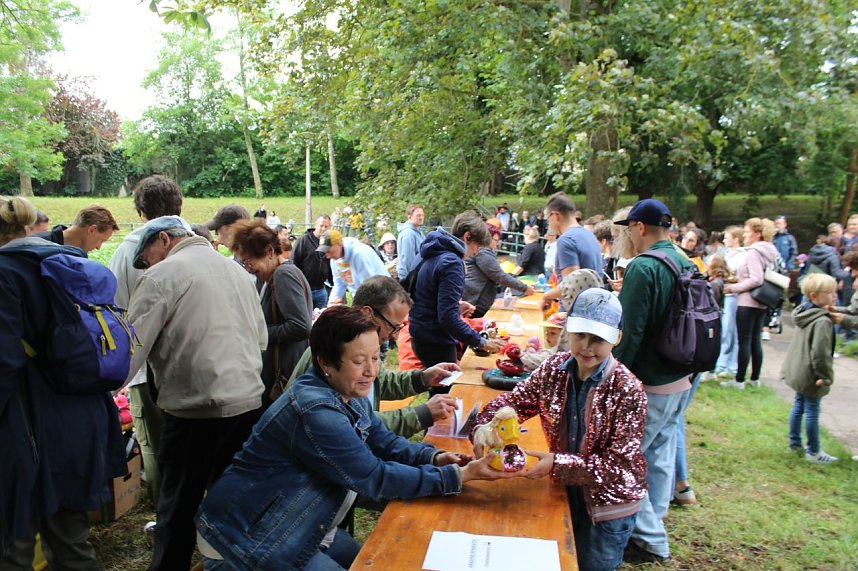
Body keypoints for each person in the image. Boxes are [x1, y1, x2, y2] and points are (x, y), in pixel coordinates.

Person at [195, 306, 519, 570]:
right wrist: (456, 476)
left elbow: (382, 440)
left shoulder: (348, 390)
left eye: (376, 357)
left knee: (374, 560)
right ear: (325, 362)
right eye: (359, 361)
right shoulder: (315, 411)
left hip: (304, 522)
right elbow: (374, 477)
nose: (372, 370)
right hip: (249, 537)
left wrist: (432, 458)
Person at [126, 216, 268, 570]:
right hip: (248, 403)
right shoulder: (238, 273)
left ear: (164, 240)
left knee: (177, 506)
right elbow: (262, 339)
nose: (150, 264)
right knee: (233, 503)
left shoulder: (162, 276)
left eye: (149, 256)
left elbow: (129, 354)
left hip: (195, 410)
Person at [472, 288, 646, 571]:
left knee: (593, 565)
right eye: (580, 336)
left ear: (617, 338)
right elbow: (514, 402)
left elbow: (619, 465)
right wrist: (486, 425)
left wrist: (557, 463)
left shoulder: (628, 389)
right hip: (564, 490)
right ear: (569, 331)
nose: (587, 347)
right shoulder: (553, 369)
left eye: (598, 339)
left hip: (607, 507)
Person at [0, 196, 127, 569]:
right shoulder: (68, 263)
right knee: (71, 542)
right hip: (83, 419)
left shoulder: (5, 274)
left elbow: (4, 362)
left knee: (15, 545)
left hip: (28, 425)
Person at [612, 198, 693, 564]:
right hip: (681, 377)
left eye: (629, 228)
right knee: (659, 455)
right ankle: (654, 519)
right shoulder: (684, 260)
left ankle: (651, 540)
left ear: (639, 228)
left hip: (650, 382)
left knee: (627, 458)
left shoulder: (644, 267)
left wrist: (612, 378)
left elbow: (630, 333)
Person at [288, 276, 460, 438]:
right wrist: (422, 413)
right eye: (392, 326)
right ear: (368, 313)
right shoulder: (337, 350)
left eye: (399, 328)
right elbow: (354, 426)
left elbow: (380, 382)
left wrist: (423, 378)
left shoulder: (362, 346)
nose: (394, 336)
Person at [108, 174, 184, 508]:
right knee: (189, 442)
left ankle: (166, 511)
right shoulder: (198, 242)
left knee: (154, 443)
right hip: (193, 362)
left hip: (145, 366)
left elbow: (115, 312)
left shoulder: (128, 251)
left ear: (141, 212)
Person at [231, 220, 313, 408]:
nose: (248, 268)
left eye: (249, 260)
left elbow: (301, 326)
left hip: (284, 374)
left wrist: (258, 333)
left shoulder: (284, 275)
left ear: (269, 252)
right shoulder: (273, 276)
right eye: (244, 262)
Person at [409, 212, 505, 371]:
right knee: (446, 393)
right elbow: (447, 318)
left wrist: (456, 305)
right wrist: (481, 342)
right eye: (477, 247)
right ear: (467, 236)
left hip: (420, 334)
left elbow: (426, 295)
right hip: (436, 340)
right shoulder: (452, 262)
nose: (475, 252)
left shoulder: (431, 251)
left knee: (438, 390)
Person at [783, 274, 839, 463]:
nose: (834, 296)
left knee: (798, 406)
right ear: (814, 295)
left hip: (799, 370)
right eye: (830, 293)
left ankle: (795, 444)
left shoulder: (803, 313)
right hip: (812, 374)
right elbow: (820, 354)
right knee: (812, 409)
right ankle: (814, 451)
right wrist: (825, 376)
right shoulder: (822, 321)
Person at [721, 218, 779, 390]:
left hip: (748, 301)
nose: (744, 235)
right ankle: (754, 378)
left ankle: (739, 380)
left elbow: (756, 279)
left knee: (744, 341)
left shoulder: (754, 251)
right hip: (762, 302)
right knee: (755, 341)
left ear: (757, 233)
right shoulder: (769, 251)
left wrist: (734, 288)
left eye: (747, 232)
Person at [463, 222, 535, 317]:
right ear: (487, 238)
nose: (497, 244)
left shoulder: (481, 251)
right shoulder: (483, 251)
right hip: (476, 302)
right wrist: (525, 288)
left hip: (474, 299)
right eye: (496, 240)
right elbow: (499, 276)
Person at [318, 228, 389, 306]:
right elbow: (339, 283)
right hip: (362, 297)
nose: (328, 256)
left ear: (339, 243)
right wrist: (331, 302)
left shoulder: (359, 253)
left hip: (382, 295)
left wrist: (357, 306)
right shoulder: (335, 260)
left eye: (329, 251)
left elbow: (369, 286)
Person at [544, 191, 602, 277]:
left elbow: (571, 285)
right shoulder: (590, 235)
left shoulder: (566, 240)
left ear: (555, 215)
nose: (549, 225)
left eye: (548, 220)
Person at [35, 204, 119, 253]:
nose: (98, 247)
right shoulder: (37, 245)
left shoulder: (79, 257)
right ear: (92, 229)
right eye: (101, 240)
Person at [292, 215, 334, 310]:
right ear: (315, 225)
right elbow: (293, 262)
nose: (323, 229)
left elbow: (330, 264)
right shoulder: (303, 241)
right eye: (321, 225)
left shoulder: (328, 243)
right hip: (304, 290)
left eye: (326, 226)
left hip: (321, 289)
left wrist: (333, 284)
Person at [396, 204, 426, 280]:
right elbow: (408, 260)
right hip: (410, 279)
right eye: (418, 215)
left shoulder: (418, 232)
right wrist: (413, 281)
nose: (421, 218)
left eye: (422, 215)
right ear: (409, 217)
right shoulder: (408, 234)